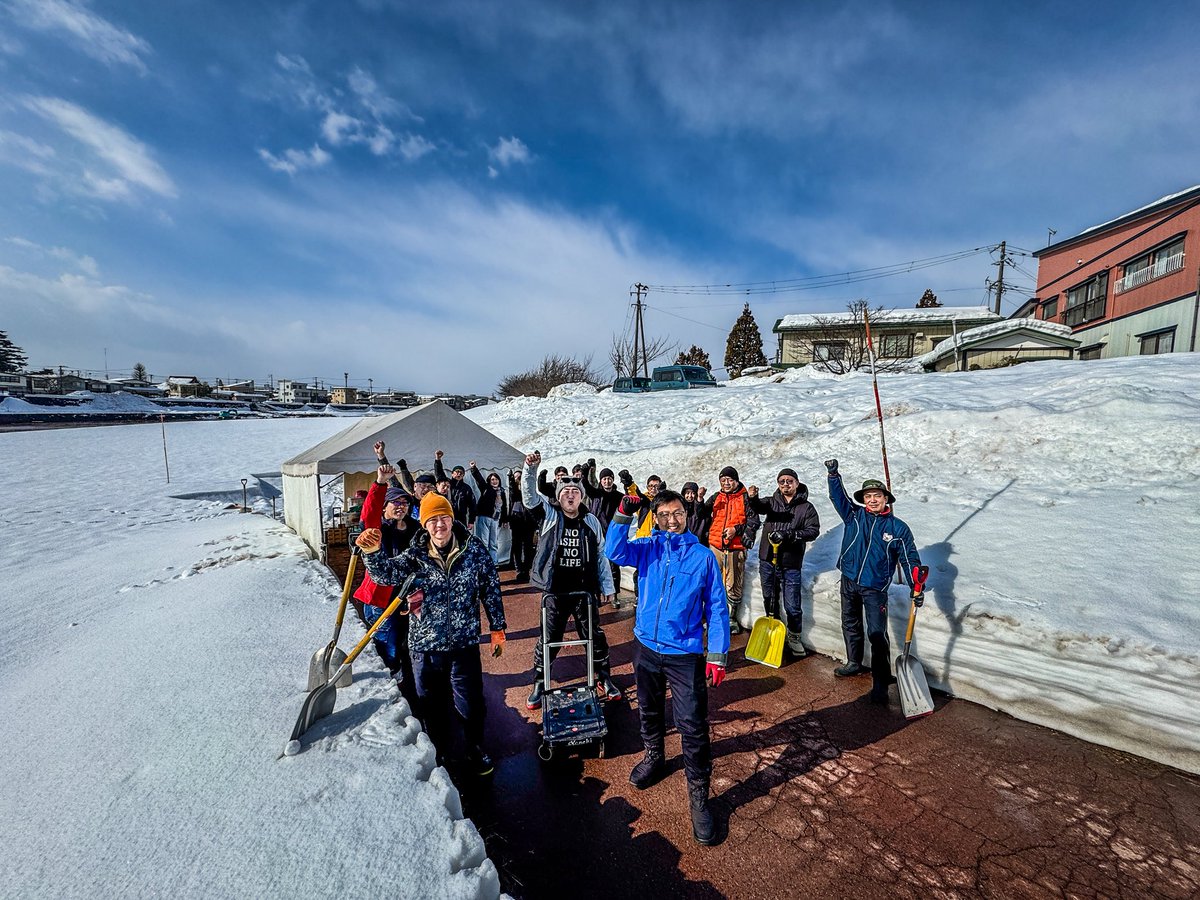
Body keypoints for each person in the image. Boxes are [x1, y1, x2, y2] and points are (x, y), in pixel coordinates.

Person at [605, 489, 729, 846]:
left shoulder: (703, 558)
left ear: (686, 515)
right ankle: (655, 756)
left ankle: (699, 797)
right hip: (645, 645)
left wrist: (717, 653)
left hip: (683, 652)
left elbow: (717, 609)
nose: (671, 520)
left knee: (691, 724)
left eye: (677, 513)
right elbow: (615, 551)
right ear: (655, 518)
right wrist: (621, 514)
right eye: (664, 515)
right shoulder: (648, 548)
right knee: (648, 708)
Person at [357, 491, 507, 776]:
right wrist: (373, 553)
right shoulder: (415, 555)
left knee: (471, 702)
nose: (439, 525)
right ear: (424, 524)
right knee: (431, 703)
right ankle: (439, 752)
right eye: (433, 519)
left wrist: (497, 627)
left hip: (464, 643)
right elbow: (385, 575)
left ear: (452, 519)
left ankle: (474, 748)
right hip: (425, 645)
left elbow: (490, 587)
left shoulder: (473, 550)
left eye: (444, 518)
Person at [521, 451, 621, 707]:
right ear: (559, 496)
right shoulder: (550, 515)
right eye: (565, 491)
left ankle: (603, 675)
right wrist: (530, 470)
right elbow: (530, 497)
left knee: (593, 636)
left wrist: (607, 586)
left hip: (584, 591)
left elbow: (601, 555)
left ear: (581, 496)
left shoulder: (591, 521)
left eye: (575, 492)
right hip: (555, 590)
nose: (570, 494)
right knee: (549, 638)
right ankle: (540, 681)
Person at [824, 459, 924, 704]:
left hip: (875, 587)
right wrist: (833, 475)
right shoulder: (854, 516)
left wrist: (916, 586)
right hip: (849, 579)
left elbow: (910, 558)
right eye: (868, 496)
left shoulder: (898, 528)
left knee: (877, 634)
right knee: (850, 622)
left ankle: (880, 682)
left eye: (877, 496)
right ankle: (854, 662)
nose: (872, 500)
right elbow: (838, 498)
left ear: (885, 498)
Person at [353, 464, 420, 710]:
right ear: (386, 507)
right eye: (395, 503)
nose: (400, 506)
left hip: (408, 599)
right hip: (380, 600)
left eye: (404, 502)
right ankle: (391, 692)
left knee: (405, 643)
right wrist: (380, 482)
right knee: (388, 644)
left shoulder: (415, 530)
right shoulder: (377, 529)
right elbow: (368, 514)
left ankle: (408, 685)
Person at [747, 468, 820, 657]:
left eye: (789, 481)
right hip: (768, 559)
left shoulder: (807, 507)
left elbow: (813, 531)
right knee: (769, 597)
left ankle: (794, 636)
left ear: (796, 483)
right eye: (782, 481)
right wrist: (753, 498)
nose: (785, 485)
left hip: (790, 562)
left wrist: (790, 535)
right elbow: (756, 508)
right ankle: (773, 631)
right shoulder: (772, 502)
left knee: (792, 604)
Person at [701, 466, 759, 634]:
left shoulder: (745, 497)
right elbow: (702, 513)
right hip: (715, 545)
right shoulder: (716, 496)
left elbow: (754, 521)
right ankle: (714, 615)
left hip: (735, 547)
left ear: (736, 480)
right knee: (713, 581)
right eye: (723, 480)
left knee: (733, 582)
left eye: (729, 480)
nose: (726, 483)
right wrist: (699, 499)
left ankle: (731, 618)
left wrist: (736, 530)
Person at [583, 459, 624, 606]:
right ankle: (597, 594)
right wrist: (586, 470)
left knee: (613, 565)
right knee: (594, 564)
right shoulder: (596, 493)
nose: (607, 481)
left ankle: (615, 595)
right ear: (601, 481)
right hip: (595, 534)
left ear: (613, 480)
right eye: (604, 479)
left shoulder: (619, 496)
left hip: (612, 534)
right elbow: (585, 484)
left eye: (609, 478)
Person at [469, 461, 507, 563]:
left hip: (495, 519)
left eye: (496, 479)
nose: (494, 481)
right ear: (489, 481)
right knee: (484, 542)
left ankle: (494, 563)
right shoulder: (486, 488)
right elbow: (479, 478)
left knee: (493, 543)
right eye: (492, 480)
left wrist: (504, 519)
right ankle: (484, 563)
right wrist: (473, 468)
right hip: (484, 517)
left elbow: (504, 507)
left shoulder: (502, 492)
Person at [506, 468, 537, 583]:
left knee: (528, 547)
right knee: (517, 547)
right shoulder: (514, 493)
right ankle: (519, 570)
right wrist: (511, 479)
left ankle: (526, 570)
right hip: (517, 521)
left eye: (520, 476)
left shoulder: (528, 490)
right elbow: (513, 491)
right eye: (516, 477)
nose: (518, 478)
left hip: (529, 522)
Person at [434, 450, 477, 526]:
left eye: (461, 473)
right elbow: (439, 473)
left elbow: (472, 505)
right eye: (457, 471)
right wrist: (438, 460)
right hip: (446, 516)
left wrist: (471, 521)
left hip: (461, 519)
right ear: (452, 473)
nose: (459, 474)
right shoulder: (447, 484)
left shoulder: (466, 488)